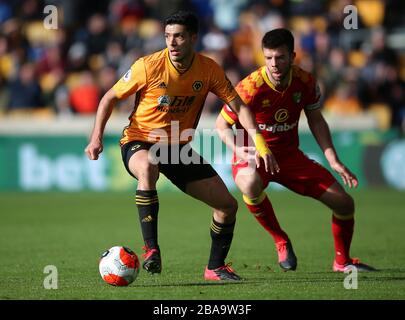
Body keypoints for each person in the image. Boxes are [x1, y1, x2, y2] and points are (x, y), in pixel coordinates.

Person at [85, 11, 278, 281]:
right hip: (140, 140)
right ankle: (151, 249)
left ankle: (215, 268)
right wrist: (96, 138)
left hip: (177, 148)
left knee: (227, 206)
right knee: (149, 166)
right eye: (167, 37)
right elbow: (108, 98)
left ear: (193, 38)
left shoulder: (208, 69)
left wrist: (260, 143)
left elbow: (239, 107)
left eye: (178, 37)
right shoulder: (148, 66)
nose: (172, 43)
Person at [216, 28, 376, 273]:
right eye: (268, 58)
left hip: (290, 157)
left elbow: (316, 120)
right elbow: (221, 125)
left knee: (345, 204)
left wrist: (332, 159)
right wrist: (240, 150)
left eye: (280, 57)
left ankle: (342, 262)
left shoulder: (306, 82)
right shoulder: (249, 87)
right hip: (253, 153)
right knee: (248, 183)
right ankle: (280, 240)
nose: (274, 64)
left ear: (292, 56)